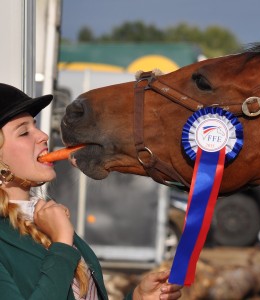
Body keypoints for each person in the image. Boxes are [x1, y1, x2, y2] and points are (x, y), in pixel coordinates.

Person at [0, 83, 183, 299]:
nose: (43, 136)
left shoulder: (44, 218)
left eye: (35, 125)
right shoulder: (52, 232)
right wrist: (61, 244)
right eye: (23, 132)